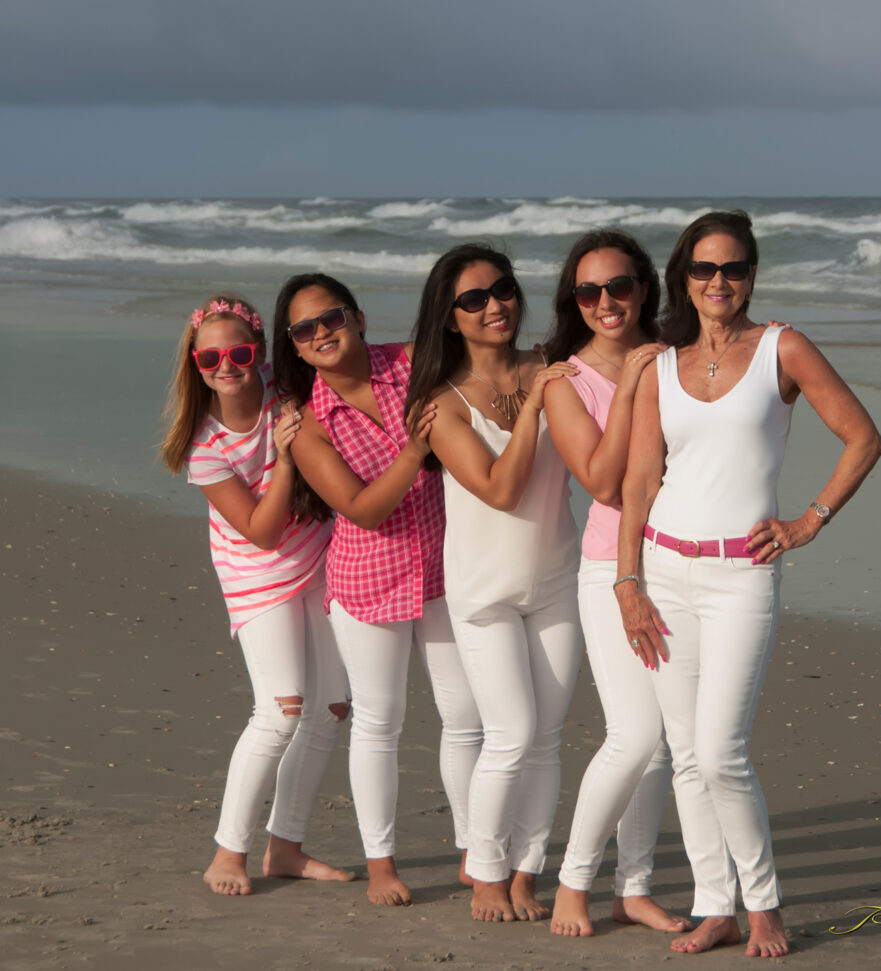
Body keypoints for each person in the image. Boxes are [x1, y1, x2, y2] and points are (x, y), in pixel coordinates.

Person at [615, 211, 881, 957]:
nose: (718, 282)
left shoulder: (782, 348)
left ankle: (763, 902)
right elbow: (640, 480)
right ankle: (716, 903)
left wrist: (809, 520)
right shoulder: (659, 365)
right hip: (663, 572)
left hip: (742, 575)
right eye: (704, 269)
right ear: (685, 277)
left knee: (721, 748)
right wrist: (626, 578)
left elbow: (863, 437)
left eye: (732, 269)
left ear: (752, 275)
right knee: (687, 752)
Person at [273, 272, 483, 907]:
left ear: (358, 318)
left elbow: (482, 355)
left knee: (466, 715)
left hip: (447, 565)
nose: (321, 334)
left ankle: (476, 849)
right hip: (369, 582)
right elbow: (362, 509)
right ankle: (383, 863)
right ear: (297, 346)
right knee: (380, 723)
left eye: (331, 318)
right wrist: (417, 449)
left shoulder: (414, 365)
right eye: (304, 330)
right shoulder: (308, 424)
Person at [405, 244, 582, 922]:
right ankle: (484, 870)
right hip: (482, 592)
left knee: (547, 735)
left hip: (557, 578)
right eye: (473, 299)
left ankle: (527, 872)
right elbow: (503, 490)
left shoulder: (551, 367)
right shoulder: (440, 403)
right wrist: (537, 402)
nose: (494, 305)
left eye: (502, 288)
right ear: (450, 319)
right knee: (509, 731)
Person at [161, 294, 354, 897]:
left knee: (333, 707)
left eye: (240, 352)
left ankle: (287, 848)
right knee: (280, 710)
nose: (227, 365)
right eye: (211, 356)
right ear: (196, 363)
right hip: (257, 571)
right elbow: (264, 532)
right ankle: (228, 852)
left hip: (319, 553)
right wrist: (289, 456)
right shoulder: (204, 448)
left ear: (260, 353)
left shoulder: (282, 387)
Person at [542, 230, 688, 937]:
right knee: (634, 733)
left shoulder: (677, 352)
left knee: (663, 744)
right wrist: (630, 382)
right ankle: (574, 881)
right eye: (589, 290)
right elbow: (600, 480)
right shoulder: (565, 379)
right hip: (609, 566)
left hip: (683, 560)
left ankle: (633, 886)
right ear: (575, 300)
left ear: (643, 287)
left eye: (619, 286)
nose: (606, 301)